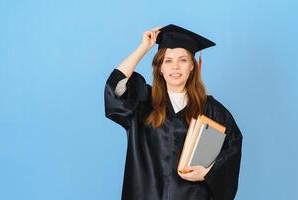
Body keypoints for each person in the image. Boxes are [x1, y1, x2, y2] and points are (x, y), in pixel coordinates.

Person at [104, 24, 243, 200]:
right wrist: (143, 48)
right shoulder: (142, 102)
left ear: (192, 66)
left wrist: (208, 172)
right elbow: (115, 87)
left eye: (183, 60)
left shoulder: (211, 109)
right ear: (159, 67)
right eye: (168, 60)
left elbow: (233, 148)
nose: (175, 67)